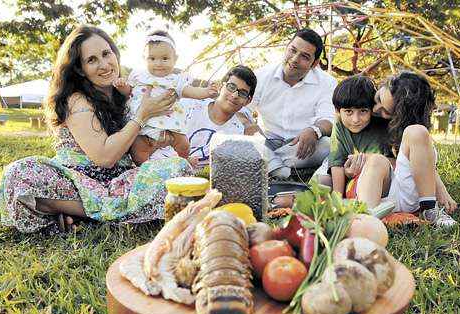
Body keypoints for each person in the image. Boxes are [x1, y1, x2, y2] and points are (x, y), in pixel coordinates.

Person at [0, 25, 191, 233]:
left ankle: (83, 214)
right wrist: (142, 115)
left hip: (119, 182)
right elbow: (105, 157)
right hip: (76, 182)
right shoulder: (77, 99)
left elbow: (135, 154)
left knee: (177, 169)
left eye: (106, 54)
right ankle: (93, 212)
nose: (104, 64)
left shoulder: (126, 93)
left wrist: (162, 137)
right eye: (92, 60)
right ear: (80, 68)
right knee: (18, 174)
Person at [353, 71, 457, 227]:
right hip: (385, 194)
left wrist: (440, 188)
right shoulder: (363, 119)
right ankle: (367, 218)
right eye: (378, 99)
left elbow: (424, 165)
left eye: (386, 111)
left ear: (401, 116)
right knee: (377, 160)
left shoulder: (414, 132)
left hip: (412, 194)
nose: (375, 109)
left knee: (416, 131)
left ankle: (429, 210)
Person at [113, 30, 218, 160]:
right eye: (152, 58)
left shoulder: (176, 80)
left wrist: (206, 92)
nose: (158, 63)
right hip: (143, 125)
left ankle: (185, 161)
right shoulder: (139, 76)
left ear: (175, 59)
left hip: (170, 124)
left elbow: (191, 91)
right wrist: (122, 86)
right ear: (144, 59)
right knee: (138, 149)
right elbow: (129, 92)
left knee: (184, 145)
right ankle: (143, 169)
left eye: (165, 58)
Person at [247, 28, 337, 179]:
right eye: (292, 50)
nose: (295, 59)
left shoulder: (327, 82)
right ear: (286, 48)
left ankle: (270, 163)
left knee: (328, 145)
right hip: (266, 141)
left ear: (314, 64)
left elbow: (328, 119)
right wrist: (248, 124)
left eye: (304, 56)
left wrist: (315, 131)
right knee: (243, 136)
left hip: (300, 146)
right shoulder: (261, 76)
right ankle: (280, 169)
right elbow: (241, 111)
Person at [147, 65, 258, 168]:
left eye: (242, 93)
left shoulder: (236, 134)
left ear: (248, 101)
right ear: (221, 86)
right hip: (158, 167)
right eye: (231, 87)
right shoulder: (189, 105)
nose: (234, 95)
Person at [312, 75, 394, 192]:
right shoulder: (340, 124)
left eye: (363, 111)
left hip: (379, 180)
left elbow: (395, 163)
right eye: (349, 112)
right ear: (337, 111)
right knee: (320, 182)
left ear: (372, 109)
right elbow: (337, 163)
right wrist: (338, 199)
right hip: (350, 176)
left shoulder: (382, 125)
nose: (355, 119)